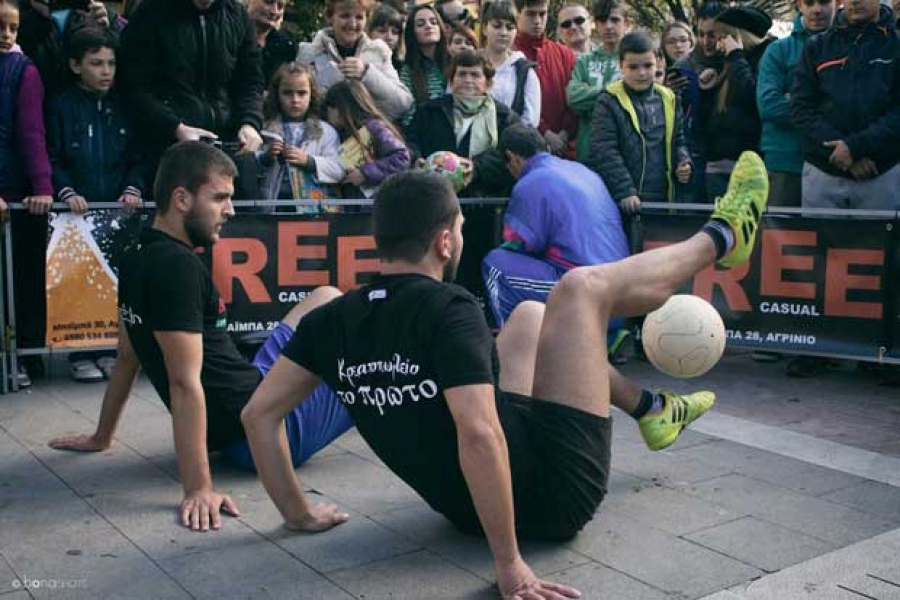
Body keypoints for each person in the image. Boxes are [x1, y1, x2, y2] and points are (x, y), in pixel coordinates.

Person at [240, 149, 770, 599]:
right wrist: (509, 565)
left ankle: (652, 410)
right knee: (581, 290)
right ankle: (720, 238)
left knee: (529, 318)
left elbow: (258, 415)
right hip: (554, 498)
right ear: (445, 242)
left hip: (465, 507)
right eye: (462, 230)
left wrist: (297, 512)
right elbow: (477, 432)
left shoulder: (332, 319)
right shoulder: (450, 307)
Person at [47, 141, 354, 532]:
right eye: (220, 198)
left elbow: (127, 356)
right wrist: (199, 488)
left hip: (249, 389)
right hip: (261, 432)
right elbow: (183, 383)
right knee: (372, 364)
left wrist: (101, 436)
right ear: (181, 199)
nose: (231, 209)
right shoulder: (178, 269)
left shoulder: (138, 250)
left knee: (325, 298)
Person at [46, 27, 144, 383]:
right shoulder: (60, 106)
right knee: (79, 281)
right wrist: (66, 191)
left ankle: (109, 349)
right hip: (75, 217)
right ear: (75, 65)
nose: (106, 71)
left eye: (111, 63)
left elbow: (138, 156)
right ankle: (81, 351)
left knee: (117, 283)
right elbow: (52, 156)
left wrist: (134, 188)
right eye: (96, 63)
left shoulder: (123, 107)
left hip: (118, 214)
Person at [117, 0, 266, 192]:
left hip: (230, 147)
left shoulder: (238, 15)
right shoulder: (150, 13)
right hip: (169, 150)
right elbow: (132, 86)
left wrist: (250, 122)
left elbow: (250, 81)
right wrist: (175, 127)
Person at [790, 0, 900, 211]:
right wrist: (846, 155)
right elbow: (800, 109)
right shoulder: (816, 46)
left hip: (881, 175)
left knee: (876, 244)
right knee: (819, 243)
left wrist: (855, 147)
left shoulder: (896, 45)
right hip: (824, 174)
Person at [0, 0, 54, 388]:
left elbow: (32, 133)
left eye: (13, 28)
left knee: (25, 276)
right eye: (0, 27)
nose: (6, 35)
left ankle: (28, 357)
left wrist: (42, 187)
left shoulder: (25, 70)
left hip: (18, 195)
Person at [591, 31, 691, 213]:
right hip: (626, 199)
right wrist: (625, 191)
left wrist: (683, 161)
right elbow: (604, 150)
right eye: (633, 67)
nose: (642, 73)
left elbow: (679, 140)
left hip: (665, 196)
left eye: (648, 65)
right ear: (621, 65)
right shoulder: (608, 100)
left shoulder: (670, 97)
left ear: (658, 64)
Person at [406, 50, 520, 197]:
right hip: (433, 197)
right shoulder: (429, 111)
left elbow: (511, 155)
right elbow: (410, 141)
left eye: (475, 75)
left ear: (488, 83)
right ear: (452, 81)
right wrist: (416, 160)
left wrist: (477, 167)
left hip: (484, 203)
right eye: (462, 74)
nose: (468, 80)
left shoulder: (505, 118)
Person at [758, 0, 836, 209]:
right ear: (799, 5)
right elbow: (769, 106)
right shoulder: (778, 51)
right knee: (781, 237)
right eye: (809, 2)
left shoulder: (848, 47)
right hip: (786, 163)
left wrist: (796, 101)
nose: (817, 9)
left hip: (835, 165)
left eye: (824, 2)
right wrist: (827, 107)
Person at [297, 0, 413, 122]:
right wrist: (330, 80)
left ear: (366, 20)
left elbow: (402, 104)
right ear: (330, 17)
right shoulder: (309, 54)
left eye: (359, 17)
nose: (352, 24)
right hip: (323, 136)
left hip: (367, 137)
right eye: (345, 16)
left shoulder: (378, 51)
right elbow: (297, 106)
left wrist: (367, 74)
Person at [701, 5, 773, 200]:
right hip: (719, 161)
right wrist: (708, 90)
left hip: (748, 163)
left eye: (723, 37)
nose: (718, 44)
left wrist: (736, 55)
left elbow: (751, 96)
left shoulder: (764, 56)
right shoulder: (729, 62)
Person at [258, 63, 344, 208]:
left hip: (313, 208)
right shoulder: (264, 130)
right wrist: (265, 157)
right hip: (272, 205)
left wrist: (309, 161)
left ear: (312, 95)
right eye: (287, 93)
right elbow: (249, 166)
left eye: (302, 93)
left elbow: (339, 170)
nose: (295, 100)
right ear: (277, 94)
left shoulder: (325, 131)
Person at [667, 1, 726, 202]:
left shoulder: (737, 60)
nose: (706, 41)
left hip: (728, 154)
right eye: (700, 34)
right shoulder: (684, 65)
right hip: (694, 155)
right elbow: (674, 120)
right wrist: (670, 96)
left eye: (712, 34)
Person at [16, 0, 123, 99]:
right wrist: (36, 16)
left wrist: (105, 32)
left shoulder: (98, 11)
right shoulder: (15, 13)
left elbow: (126, 64)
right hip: (43, 101)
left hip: (90, 106)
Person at [565, 0, 630, 164]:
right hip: (589, 151)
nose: (608, 26)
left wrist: (590, 93)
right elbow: (574, 99)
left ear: (627, 23)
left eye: (615, 20)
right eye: (602, 20)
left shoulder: (635, 61)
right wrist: (616, 89)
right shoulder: (584, 61)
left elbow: (634, 96)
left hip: (625, 151)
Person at [323, 80, 411, 198]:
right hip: (356, 206)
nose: (327, 115)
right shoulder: (340, 134)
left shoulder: (374, 128)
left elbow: (401, 157)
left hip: (379, 202)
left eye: (328, 109)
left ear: (339, 109)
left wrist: (365, 173)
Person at [513, 0, 577, 156]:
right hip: (524, 149)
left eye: (542, 14)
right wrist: (545, 132)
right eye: (531, 14)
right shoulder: (510, 55)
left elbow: (574, 98)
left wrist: (565, 133)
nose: (537, 20)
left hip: (565, 146)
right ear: (517, 14)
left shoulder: (564, 53)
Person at [480, 0, 540, 128]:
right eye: (497, 26)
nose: (503, 33)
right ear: (485, 28)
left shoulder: (524, 71)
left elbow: (531, 120)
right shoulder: (468, 63)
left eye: (510, 27)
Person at [399, 4, 448, 125]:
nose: (429, 26)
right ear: (412, 33)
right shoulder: (408, 71)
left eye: (433, 22)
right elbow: (407, 116)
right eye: (421, 24)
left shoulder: (455, 62)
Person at [247, 0, 296, 84]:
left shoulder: (286, 46)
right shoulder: (229, 35)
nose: (274, 11)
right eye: (268, 2)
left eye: (280, 6)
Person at [367, 3, 405, 73]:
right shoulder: (360, 62)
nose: (389, 37)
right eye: (382, 31)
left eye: (395, 32)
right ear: (369, 32)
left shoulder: (403, 67)